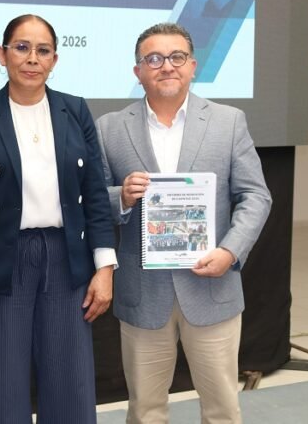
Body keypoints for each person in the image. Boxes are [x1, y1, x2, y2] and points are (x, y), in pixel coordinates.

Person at [96, 23, 272, 424]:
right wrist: (120, 196)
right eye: (154, 58)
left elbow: (256, 195)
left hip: (212, 288)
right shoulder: (109, 128)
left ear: (193, 66)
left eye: (177, 57)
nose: (167, 66)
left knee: (222, 410)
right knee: (145, 411)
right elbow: (92, 202)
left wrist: (230, 251)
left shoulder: (229, 122)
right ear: (138, 71)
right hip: (143, 293)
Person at [0, 14, 117, 424]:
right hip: (2, 260)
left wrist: (105, 268)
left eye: (43, 50)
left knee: (69, 382)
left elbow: (95, 194)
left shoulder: (75, 110)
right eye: (22, 48)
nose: (32, 58)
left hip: (66, 258)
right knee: (1, 383)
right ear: (2, 54)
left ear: (54, 60)